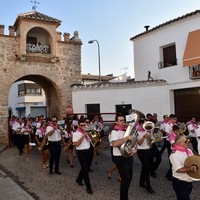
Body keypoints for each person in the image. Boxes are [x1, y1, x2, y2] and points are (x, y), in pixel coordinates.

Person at [110, 115, 137, 200]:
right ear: (116, 122)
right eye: (121, 120)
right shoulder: (115, 132)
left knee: (129, 178)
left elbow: (133, 142)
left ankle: (125, 196)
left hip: (128, 156)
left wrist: (135, 149)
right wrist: (127, 138)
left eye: (123, 120)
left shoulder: (126, 131)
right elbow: (114, 144)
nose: (123, 122)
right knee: (125, 179)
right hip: (119, 157)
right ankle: (123, 198)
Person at [169, 134, 197, 200]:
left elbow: (193, 161)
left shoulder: (188, 150)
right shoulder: (174, 154)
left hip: (189, 181)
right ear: (179, 143)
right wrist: (190, 169)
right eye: (185, 141)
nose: (188, 142)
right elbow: (178, 169)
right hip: (180, 183)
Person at [72, 119, 93, 195]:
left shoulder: (87, 132)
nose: (83, 126)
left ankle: (79, 179)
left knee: (86, 167)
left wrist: (89, 134)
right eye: (82, 125)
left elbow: (92, 140)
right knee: (85, 170)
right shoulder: (76, 134)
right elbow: (76, 145)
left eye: (84, 125)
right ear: (78, 125)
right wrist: (83, 135)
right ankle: (89, 187)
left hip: (88, 151)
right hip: (81, 152)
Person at [136, 118, 155, 194]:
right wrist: (144, 137)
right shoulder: (137, 131)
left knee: (145, 167)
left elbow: (152, 141)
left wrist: (151, 137)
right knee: (147, 168)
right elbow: (139, 143)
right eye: (143, 122)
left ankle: (141, 183)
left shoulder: (148, 131)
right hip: (141, 151)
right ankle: (148, 186)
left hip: (148, 150)